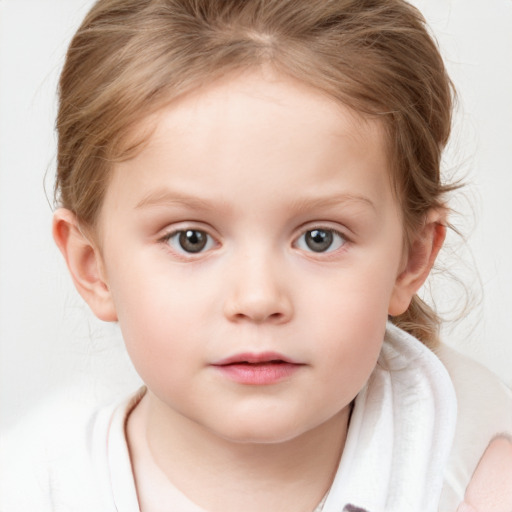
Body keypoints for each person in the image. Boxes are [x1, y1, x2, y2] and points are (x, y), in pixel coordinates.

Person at [0, 1, 511, 511]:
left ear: (411, 258)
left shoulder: (472, 477)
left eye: (319, 238)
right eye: (191, 239)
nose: (258, 298)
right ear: (94, 267)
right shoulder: (36, 489)